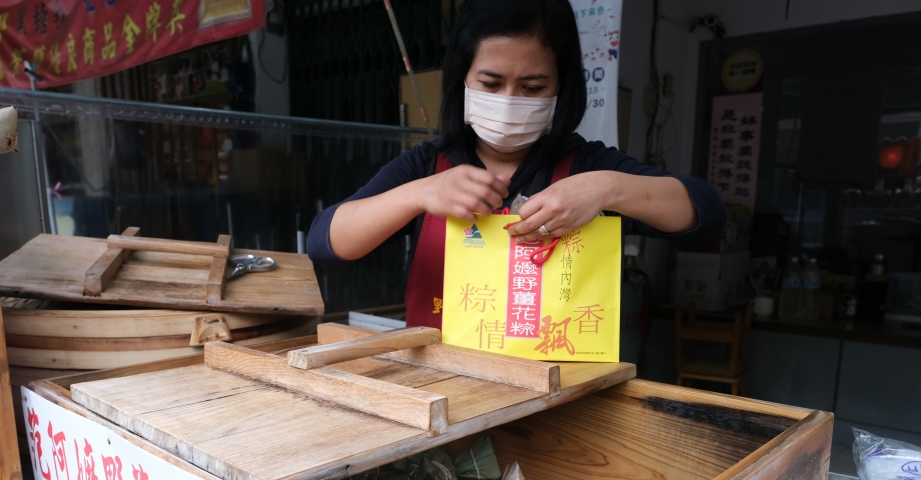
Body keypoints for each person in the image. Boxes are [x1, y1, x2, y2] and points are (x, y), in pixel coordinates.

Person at [308, 0, 726, 328]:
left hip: (551, 409)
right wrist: (418, 194)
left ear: (562, 87)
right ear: (463, 80)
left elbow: (706, 212)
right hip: (442, 398)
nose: (509, 101)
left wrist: (608, 188)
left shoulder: (585, 165)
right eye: (491, 83)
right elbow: (326, 243)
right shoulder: (425, 166)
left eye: (532, 87)